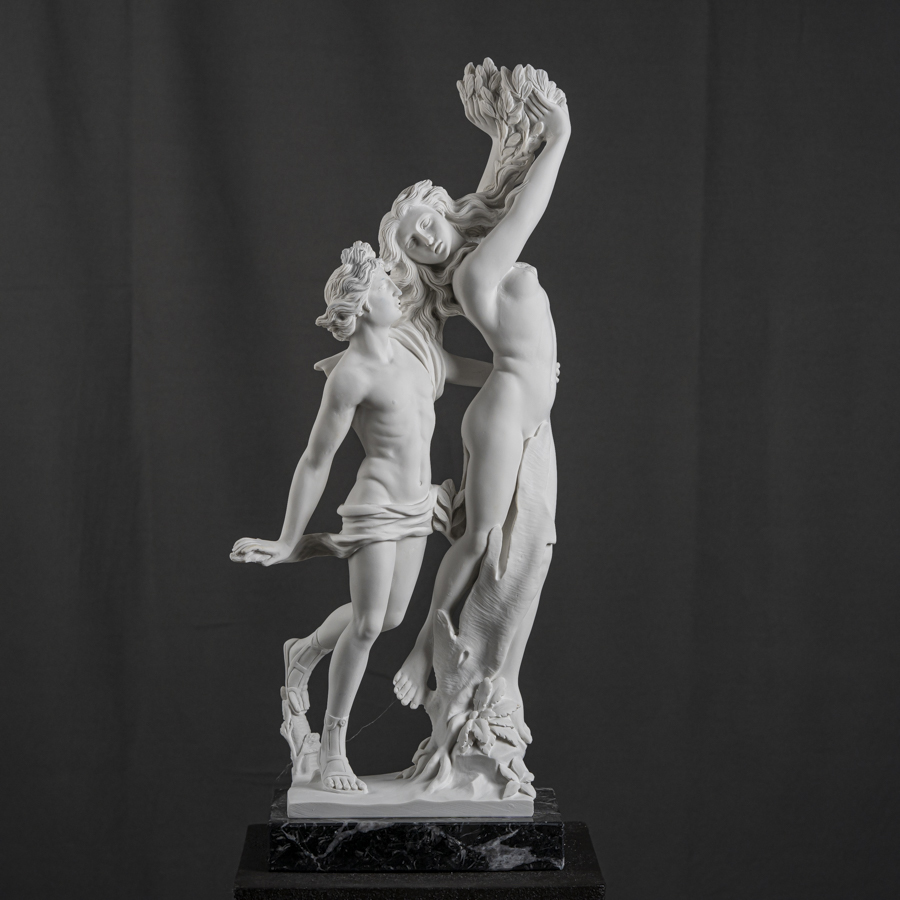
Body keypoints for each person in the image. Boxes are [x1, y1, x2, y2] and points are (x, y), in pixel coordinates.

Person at [230, 241, 490, 793]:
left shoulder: (413, 347)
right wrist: (287, 539)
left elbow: (457, 369)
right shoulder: (350, 375)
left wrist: (517, 374)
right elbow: (315, 459)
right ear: (365, 304)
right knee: (369, 625)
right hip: (374, 506)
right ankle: (333, 745)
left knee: (390, 618)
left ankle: (304, 650)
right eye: (386, 287)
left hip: (418, 504)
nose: (398, 292)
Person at [380, 89, 570, 715]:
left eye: (424, 223)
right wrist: (560, 137)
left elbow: (495, 199)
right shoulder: (472, 274)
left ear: (443, 209)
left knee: (523, 551)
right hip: (502, 420)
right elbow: (527, 211)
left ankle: (498, 680)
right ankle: (422, 652)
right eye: (412, 244)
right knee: (481, 542)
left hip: (522, 414)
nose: (424, 239)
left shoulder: (475, 258)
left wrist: (532, 370)